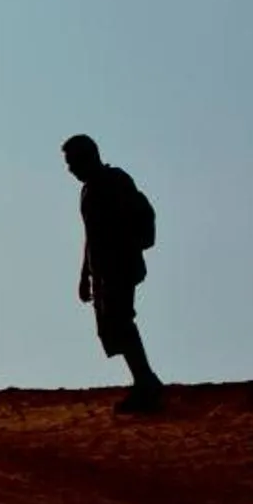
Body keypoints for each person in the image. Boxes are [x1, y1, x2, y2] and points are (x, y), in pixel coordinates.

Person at [64, 133, 163, 412]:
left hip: (120, 266)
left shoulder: (114, 182)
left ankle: (146, 384)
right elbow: (90, 235)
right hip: (104, 271)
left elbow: (124, 226)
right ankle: (144, 381)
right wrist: (86, 275)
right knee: (114, 326)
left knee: (121, 322)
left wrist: (120, 261)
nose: (71, 169)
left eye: (73, 162)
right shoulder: (89, 190)